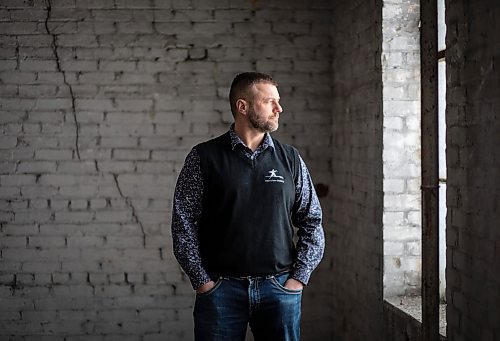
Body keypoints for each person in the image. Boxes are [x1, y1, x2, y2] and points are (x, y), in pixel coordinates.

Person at [171, 72, 325, 341]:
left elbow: (312, 220)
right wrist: (204, 282)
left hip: (279, 289)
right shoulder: (203, 157)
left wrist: (297, 280)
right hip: (221, 291)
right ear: (243, 107)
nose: (279, 108)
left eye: (278, 101)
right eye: (270, 102)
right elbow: (183, 224)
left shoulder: (290, 158)